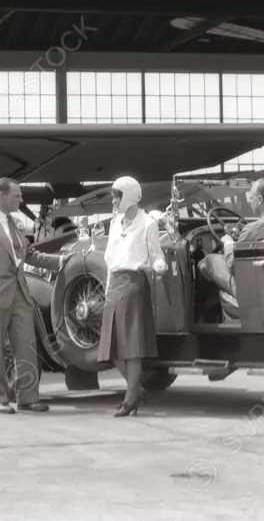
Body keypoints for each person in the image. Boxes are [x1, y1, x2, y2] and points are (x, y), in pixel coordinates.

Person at [0, 178, 67, 415]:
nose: (21, 200)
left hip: (21, 293)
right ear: (0, 196)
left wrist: (61, 260)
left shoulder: (17, 225)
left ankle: (28, 399)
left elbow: (30, 255)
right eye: (17, 196)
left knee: (27, 346)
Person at [98, 176, 167, 417]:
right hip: (114, 285)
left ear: (128, 195)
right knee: (112, 347)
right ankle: (135, 389)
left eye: (116, 195)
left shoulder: (148, 223)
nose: (113, 200)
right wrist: (107, 288)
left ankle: (130, 399)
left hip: (134, 284)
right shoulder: (114, 222)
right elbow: (110, 261)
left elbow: (156, 254)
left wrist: (157, 267)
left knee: (132, 347)